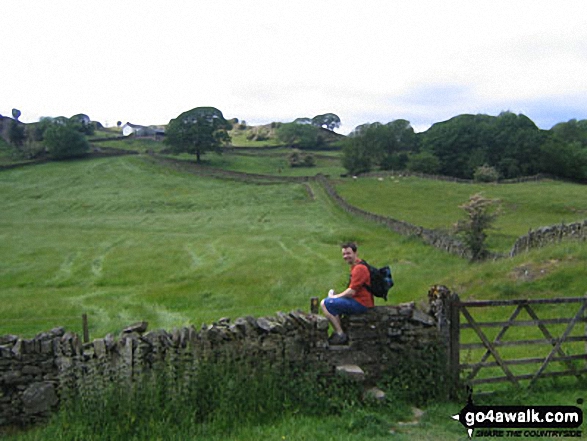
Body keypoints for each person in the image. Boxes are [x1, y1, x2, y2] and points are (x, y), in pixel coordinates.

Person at [320, 242, 374, 345]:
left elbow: (351, 292)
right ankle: (340, 329)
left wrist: (335, 297)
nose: (346, 256)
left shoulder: (359, 269)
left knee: (325, 303)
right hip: (360, 301)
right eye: (344, 254)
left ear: (355, 253)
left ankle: (340, 334)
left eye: (348, 253)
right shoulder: (357, 266)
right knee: (331, 298)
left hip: (361, 304)